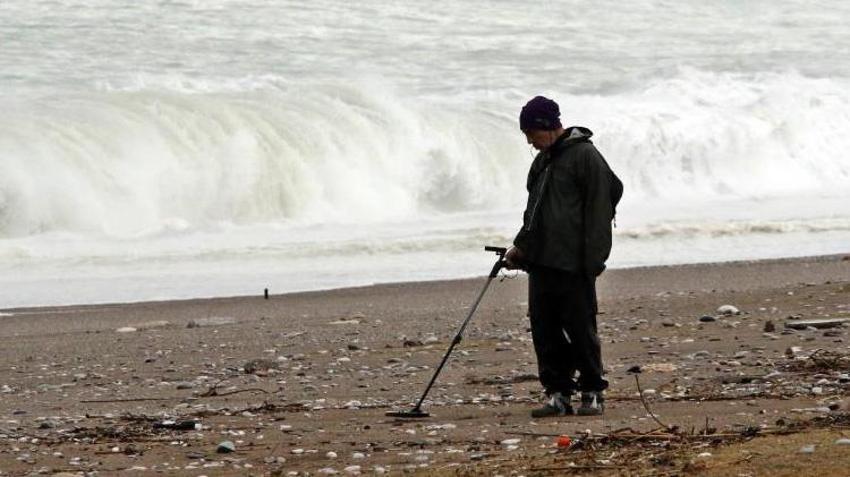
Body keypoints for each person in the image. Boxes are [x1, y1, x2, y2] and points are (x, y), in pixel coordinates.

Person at [505, 96, 621, 418]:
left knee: (581, 330)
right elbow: (534, 214)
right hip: (541, 263)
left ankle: (593, 393)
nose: (528, 140)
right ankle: (557, 395)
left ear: (547, 126)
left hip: (574, 264)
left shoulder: (586, 156)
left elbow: (600, 213)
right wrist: (521, 248)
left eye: (531, 132)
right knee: (544, 331)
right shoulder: (541, 162)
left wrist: (594, 262)